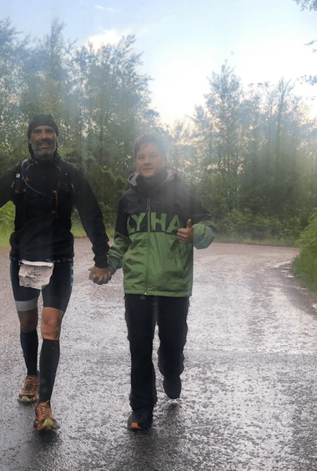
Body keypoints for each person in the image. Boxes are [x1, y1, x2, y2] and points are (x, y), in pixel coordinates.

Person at [0, 114, 111, 432]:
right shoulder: (18, 174)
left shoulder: (71, 175)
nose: (44, 136)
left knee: (50, 328)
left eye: (50, 131)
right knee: (28, 323)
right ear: (30, 139)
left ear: (57, 137)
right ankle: (31, 374)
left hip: (59, 261)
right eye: (38, 132)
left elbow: (91, 214)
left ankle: (45, 405)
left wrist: (101, 258)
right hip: (23, 261)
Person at [105, 132, 215, 431]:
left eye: (152, 155)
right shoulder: (128, 199)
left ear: (165, 158)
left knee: (172, 343)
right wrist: (109, 267)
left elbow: (208, 225)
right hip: (136, 287)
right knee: (139, 348)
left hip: (174, 287)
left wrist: (196, 234)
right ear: (136, 161)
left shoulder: (184, 192)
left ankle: (172, 369)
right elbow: (121, 241)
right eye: (141, 156)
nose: (146, 161)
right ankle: (141, 408)